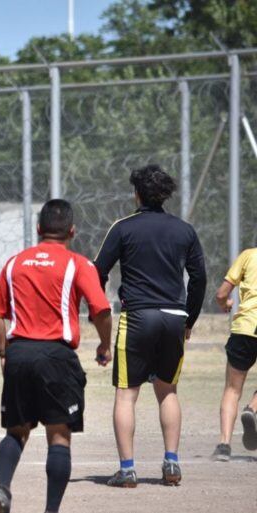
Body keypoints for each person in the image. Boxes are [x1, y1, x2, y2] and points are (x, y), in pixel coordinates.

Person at [0, 199, 113, 513]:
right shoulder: (78, 264)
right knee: (59, 436)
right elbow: (101, 309)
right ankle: (51, 510)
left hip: (18, 354)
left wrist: (4, 352)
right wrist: (104, 344)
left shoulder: (15, 262)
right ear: (72, 231)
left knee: (16, 431)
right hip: (57, 357)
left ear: (39, 229)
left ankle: (3, 488)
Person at [94, 165, 206, 487]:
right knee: (167, 390)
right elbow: (199, 278)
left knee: (126, 395)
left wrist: (99, 308)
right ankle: (171, 465)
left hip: (138, 317)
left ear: (137, 193)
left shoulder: (124, 228)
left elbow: (98, 271)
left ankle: (128, 470)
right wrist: (190, 318)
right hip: (174, 318)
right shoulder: (184, 230)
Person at [210, 248, 257, 461]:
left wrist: (225, 304)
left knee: (232, 389)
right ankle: (253, 408)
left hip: (244, 328)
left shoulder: (248, 256)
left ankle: (224, 445)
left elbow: (221, 293)